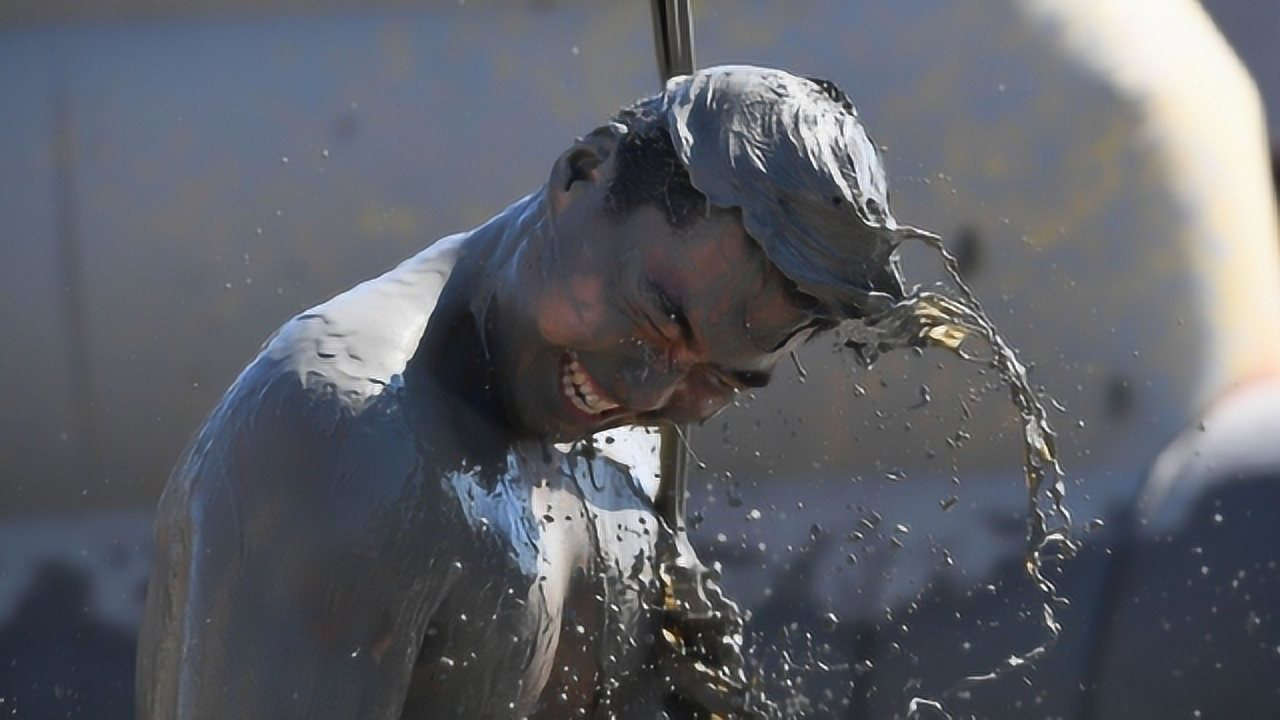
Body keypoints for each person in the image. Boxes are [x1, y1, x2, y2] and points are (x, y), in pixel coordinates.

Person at [136, 65, 939, 719]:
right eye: (656, 320)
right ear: (581, 175)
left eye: (719, 377)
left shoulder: (616, 446)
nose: (648, 390)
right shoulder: (349, 438)